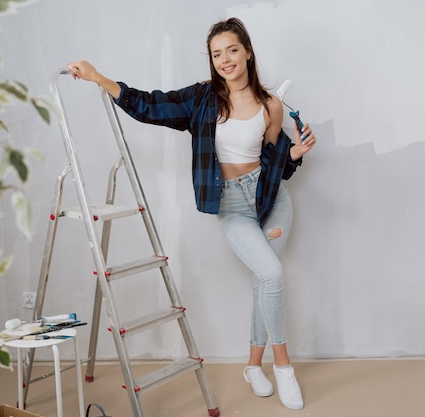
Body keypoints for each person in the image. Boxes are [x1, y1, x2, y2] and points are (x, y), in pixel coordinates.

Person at [67, 17, 316, 410]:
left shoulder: (272, 105)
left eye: (232, 50)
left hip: (272, 200)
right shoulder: (202, 99)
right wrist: (100, 77)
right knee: (271, 274)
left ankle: (253, 366)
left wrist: (293, 154)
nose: (225, 59)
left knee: (265, 281)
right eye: (216, 54)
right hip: (232, 205)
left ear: (247, 51)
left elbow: (274, 163)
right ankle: (283, 366)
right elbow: (150, 105)